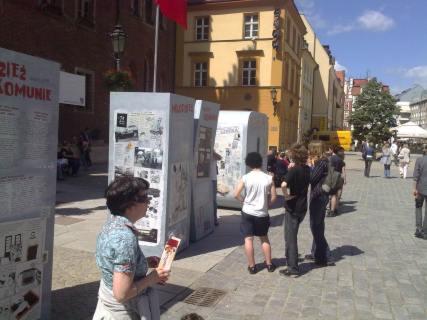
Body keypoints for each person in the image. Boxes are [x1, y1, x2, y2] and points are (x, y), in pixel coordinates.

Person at [93, 177, 169, 319]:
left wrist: (144, 262)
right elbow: (122, 294)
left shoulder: (112, 224)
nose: (149, 201)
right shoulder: (125, 239)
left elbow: (115, 264)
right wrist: (153, 278)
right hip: (122, 313)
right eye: (145, 197)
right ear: (130, 205)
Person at [234, 152, 277, 274]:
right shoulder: (269, 178)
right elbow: (273, 197)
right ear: (260, 162)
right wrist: (266, 205)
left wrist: (244, 202)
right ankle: (269, 264)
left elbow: (236, 194)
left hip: (248, 212)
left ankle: (252, 266)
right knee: (264, 239)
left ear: (248, 163)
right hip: (262, 213)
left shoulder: (246, 177)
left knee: (248, 239)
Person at [279, 144, 311, 276]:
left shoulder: (294, 169)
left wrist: (286, 196)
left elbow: (283, 184)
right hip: (303, 205)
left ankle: (292, 267)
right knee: (291, 235)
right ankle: (291, 261)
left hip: (293, 206)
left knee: (290, 237)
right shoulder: (307, 169)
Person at [306, 141, 333, 266]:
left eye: (310, 149)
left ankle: (322, 256)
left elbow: (311, 178)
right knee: (318, 225)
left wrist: (310, 165)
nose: (308, 151)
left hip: (318, 196)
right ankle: (315, 252)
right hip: (322, 196)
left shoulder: (321, 162)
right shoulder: (325, 161)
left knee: (315, 226)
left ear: (315, 150)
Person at [413, 145, 427, 239]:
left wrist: (414, 188)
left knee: (418, 207)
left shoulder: (419, 160)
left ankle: (418, 228)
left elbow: (415, 176)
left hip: (420, 188)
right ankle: (425, 231)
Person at [329, 146, 346, 217]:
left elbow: (330, 168)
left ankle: (332, 211)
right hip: (340, 177)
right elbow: (343, 170)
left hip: (333, 177)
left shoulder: (331, 158)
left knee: (332, 195)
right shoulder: (341, 160)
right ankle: (336, 208)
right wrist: (344, 179)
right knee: (337, 194)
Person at [211, 150, 222, 226]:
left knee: (213, 201)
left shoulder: (213, 153)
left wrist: (212, 151)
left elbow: (219, 157)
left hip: (212, 179)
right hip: (205, 179)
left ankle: (214, 219)